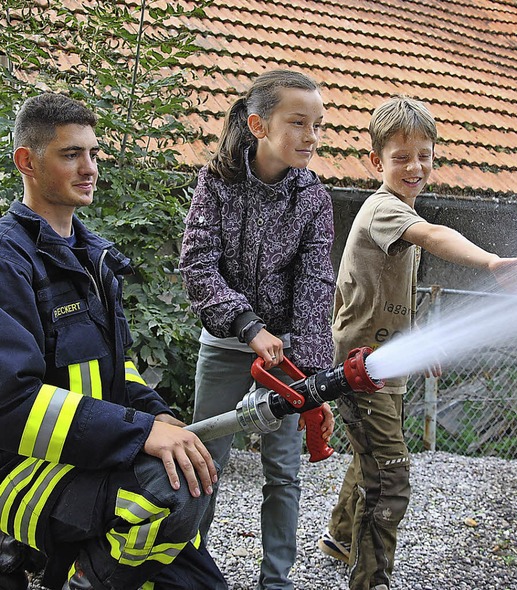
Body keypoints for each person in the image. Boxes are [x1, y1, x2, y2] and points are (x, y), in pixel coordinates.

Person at [0, 92, 227, 590]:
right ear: (27, 162)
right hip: (19, 472)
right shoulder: (7, 262)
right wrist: (138, 433)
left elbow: (114, 372)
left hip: (89, 455)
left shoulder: (92, 259)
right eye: (70, 154)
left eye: (94, 153)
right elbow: (12, 404)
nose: (90, 168)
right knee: (170, 493)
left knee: (191, 493)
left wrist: (156, 415)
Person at [317, 96, 517, 590]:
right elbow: (434, 234)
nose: (414, 166)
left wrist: (419, 341)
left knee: (369, 458)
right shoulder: (384, 209)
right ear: (377, 162)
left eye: (424, 154)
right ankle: (370, 579)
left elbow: (390, 296)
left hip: (385, 363)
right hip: (362, 367)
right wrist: (489, 263)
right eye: (401, 157)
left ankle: (340, 539)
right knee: (391, 474)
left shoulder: (399, 212)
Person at [179, 70, 336, 590]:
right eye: (298, 123)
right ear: (258, 124)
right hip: (227, 344)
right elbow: (198, 265)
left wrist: (311, 383)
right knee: (205, 463)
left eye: (318, 125)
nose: (311, 137)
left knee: (284, 472)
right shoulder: (217, 182)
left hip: (286, 358)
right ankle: (189, 569)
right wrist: (247, 326)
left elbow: (316, 284)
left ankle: (277, 581)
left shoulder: (314, 198)